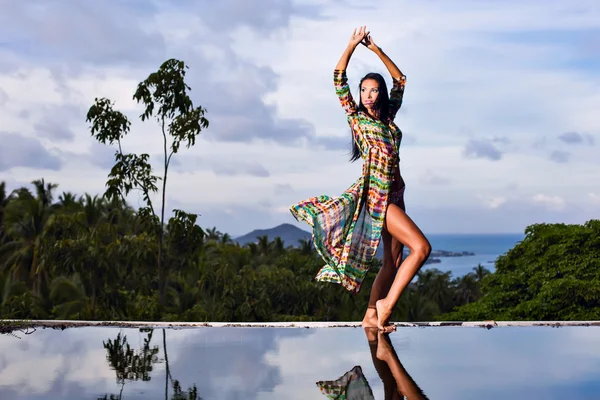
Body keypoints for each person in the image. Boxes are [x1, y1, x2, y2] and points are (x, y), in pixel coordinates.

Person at [290, 26, 431, 331]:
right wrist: (352, 45)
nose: (368, 95)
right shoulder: (357, 119)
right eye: (364, 90)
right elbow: (338, 79)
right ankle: (385, 306)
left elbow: (401, 80)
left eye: (373, 90)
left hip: (397, 195)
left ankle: (369, 315)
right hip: (377, 197)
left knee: (392, 261)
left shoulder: (389, 118)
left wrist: (376, 49)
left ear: (380, 93)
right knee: (421, 249)